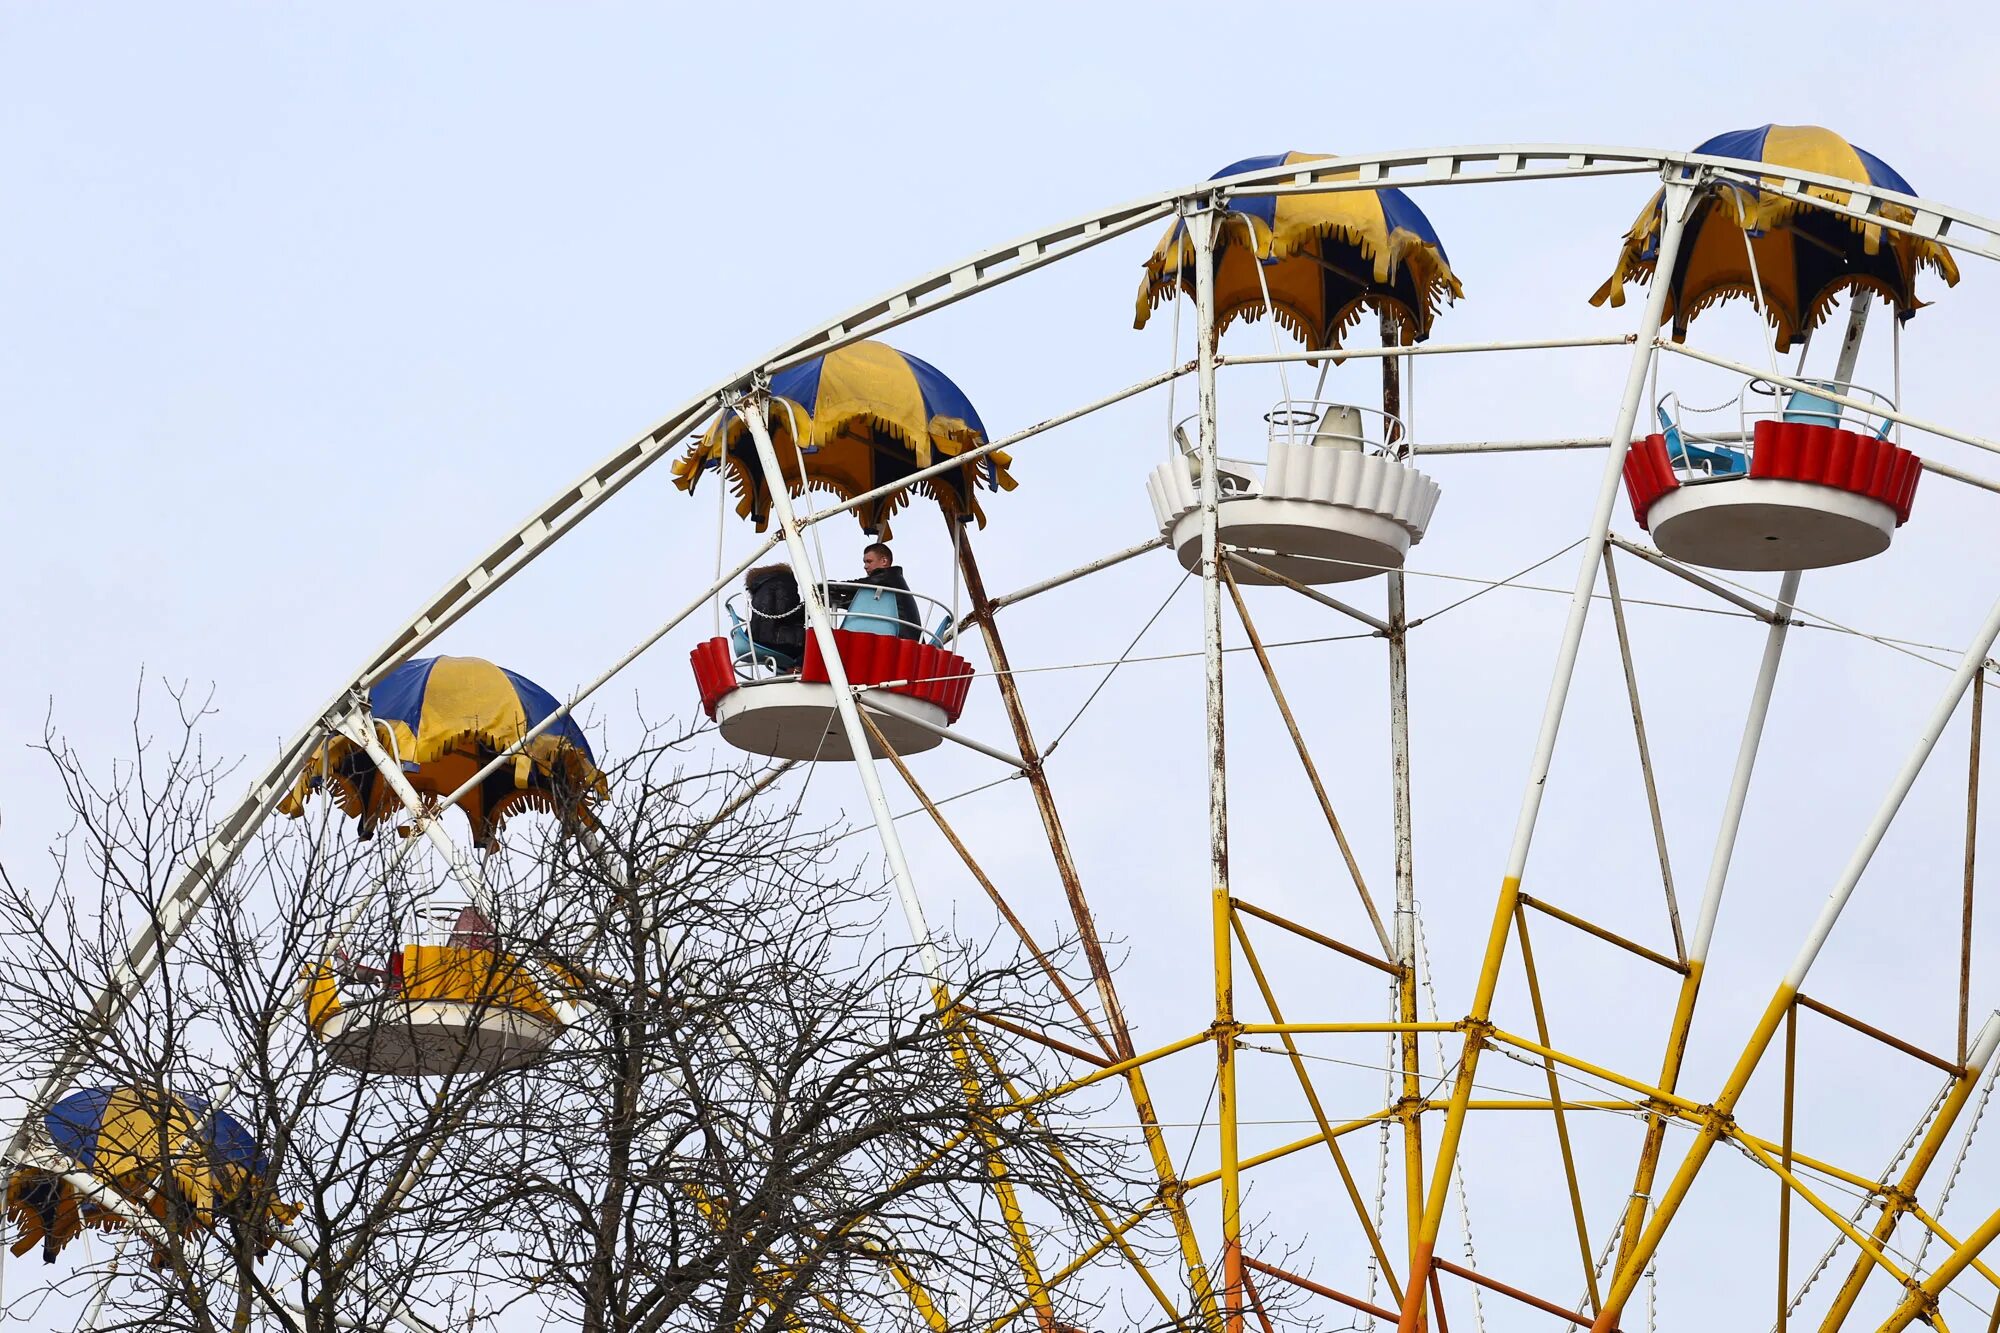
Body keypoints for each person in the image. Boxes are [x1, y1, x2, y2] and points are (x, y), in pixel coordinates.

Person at [832, 541, 921, 640]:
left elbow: (857, 586)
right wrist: (838, 601)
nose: (865, 566)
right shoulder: (890, 583)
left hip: (902, 637)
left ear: (884, 561)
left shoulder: (888, 576)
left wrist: (830, 585)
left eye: (869, 561)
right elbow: (860, 602)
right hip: (909, 638)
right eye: (865, 562)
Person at [743, 563, 806, 661]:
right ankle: (797, 667)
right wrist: (809, 608)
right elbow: (785, 612)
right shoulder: (784, 581)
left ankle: (790, 669)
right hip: (776, 639)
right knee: (821, 640)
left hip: (755, 637)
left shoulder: (760, 586)